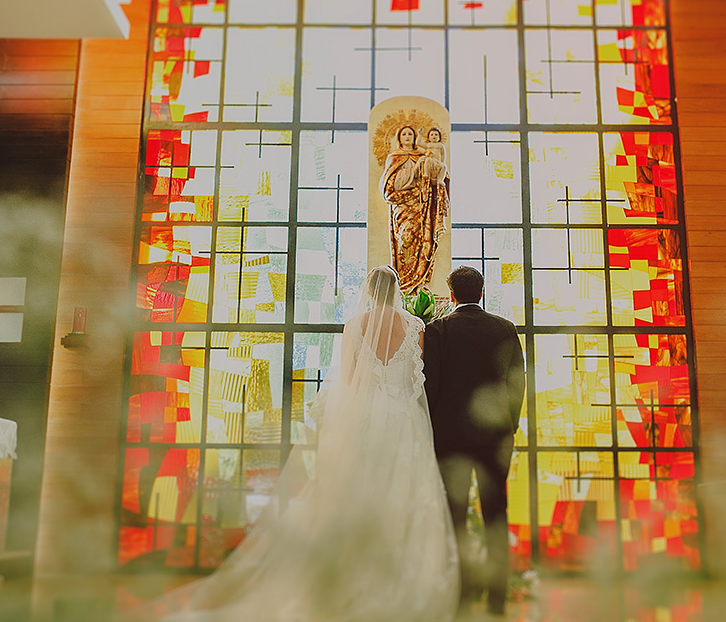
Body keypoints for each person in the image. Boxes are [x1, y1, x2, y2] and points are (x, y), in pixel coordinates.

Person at [126, 266, 459, 622]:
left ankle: (346, 577)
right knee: (404, 493)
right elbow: (416, 377)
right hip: (404, 416)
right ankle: (400, 578)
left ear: (369, 292)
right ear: (395, 291)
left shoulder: (355, 325)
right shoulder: (415, 327)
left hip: (365, 416)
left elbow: (347, 380)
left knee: (354, 492)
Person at [423, 266, 526, 617]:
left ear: (452, 295)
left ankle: (462, 592)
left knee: (455, 517)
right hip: (495, 438)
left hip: (449, 437)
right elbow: (517, 383)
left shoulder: (438, 330)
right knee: (496, 513)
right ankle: (498, 598)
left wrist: (433, 429)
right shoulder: (505, 328)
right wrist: (509, 426)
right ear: (481, 293)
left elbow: (430, 384)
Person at [379, 125, 449, 293]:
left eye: (410, 133)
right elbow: (390, 185)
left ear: (415, 137)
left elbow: (438, 176)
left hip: (421, 205)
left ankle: (419, 284)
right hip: (402, 206)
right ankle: (403, 284)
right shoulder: (394, 158)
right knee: (404, 239)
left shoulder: (423, 156)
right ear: (399, 137)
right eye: (404, 134)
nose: (408, 137)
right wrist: (413, 173)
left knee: (423, 242)